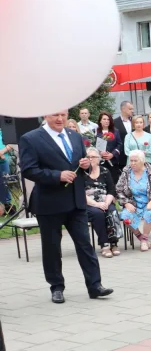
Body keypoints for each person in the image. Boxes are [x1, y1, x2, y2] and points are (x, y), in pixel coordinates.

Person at [18, 111, 113, 303]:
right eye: (55, 115)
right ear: (45, 115)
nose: (60, 119)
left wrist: (85, 164)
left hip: (76, 201)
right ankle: (56, 287)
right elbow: (28, 169)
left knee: (85, 244)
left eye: (63, 114)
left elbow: (80, 163)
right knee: (52, 247)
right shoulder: (31, 138)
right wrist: (57, 176)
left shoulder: (75, 136)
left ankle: (95, 285)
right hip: (50, 202)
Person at [117, 150, 151, 252]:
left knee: (149, 214)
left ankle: (145, 239)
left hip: (150, 202)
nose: (133, 163)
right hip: (133, 203)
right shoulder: (126, 172)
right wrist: (126, 203)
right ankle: (141, 238)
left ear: (143, 161)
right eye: (131, 161)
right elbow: (119, 189)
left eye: (135, 161)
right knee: (125, 216)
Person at [82, 147, 120, 258]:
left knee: (111, 211)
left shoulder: (105, 171)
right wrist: (97, 204)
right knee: (98, 213)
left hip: (105, 200)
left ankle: (114, 243)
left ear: (99, 159)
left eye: (93, 157)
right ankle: (104, 244)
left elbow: (111, 190)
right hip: (89, 203)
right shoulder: (81, 173)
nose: (90, 159)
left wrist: (107, 203)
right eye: (88, 157)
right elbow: (80, 193)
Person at [95, 111, 123, 184]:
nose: (106, 121)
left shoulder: (115, 131)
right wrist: (100, 153)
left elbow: (119, 144)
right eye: (104, 119)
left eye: (108, 119)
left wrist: (112, 154)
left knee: (114, 180)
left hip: (112, 161)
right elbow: (93, 146)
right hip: (100, 161)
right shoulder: (95, 132)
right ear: (100, 121)